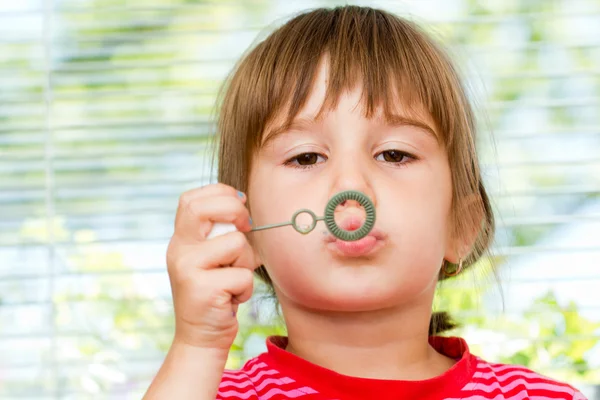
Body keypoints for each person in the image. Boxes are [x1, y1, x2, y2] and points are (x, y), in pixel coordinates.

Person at [143, 5, 587, 400]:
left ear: (462, 226)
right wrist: (196, 345)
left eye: (394, 154)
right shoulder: (203, 390)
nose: (350, 184)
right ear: (245, 231)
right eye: (305, 157)